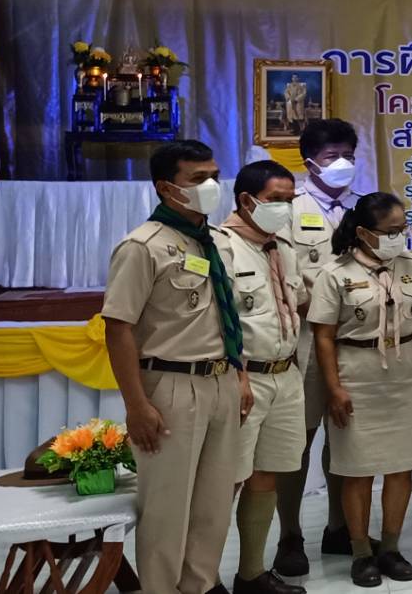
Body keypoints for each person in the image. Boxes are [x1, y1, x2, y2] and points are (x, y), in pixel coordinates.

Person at [103, 140, 250, 594]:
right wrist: (136, 405)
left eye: (214, 176)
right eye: (198, 178)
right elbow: (118, 328)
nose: (211, 186)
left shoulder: (217, 242)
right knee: (167, 509)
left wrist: (240, 376)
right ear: (167, 188)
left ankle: (199, 586)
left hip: (221, 381)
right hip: (171, 385)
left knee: (214, 504)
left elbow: (227, 316)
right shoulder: (142, 246)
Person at [309, 193, 412, 588]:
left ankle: (391, 548)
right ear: (364, 232)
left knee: (401, 466)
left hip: (404, 373)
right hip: (356, 373)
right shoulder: (335, 273)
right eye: (391, 231)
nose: (400, 236)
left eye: (403, 228)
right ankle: (362, 551)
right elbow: (324, 336)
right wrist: (334, 388)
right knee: (358, 470)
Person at [276, 118, 366, 576]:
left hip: (357, 341)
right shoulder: (289, 209)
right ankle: (290, 536)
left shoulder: (364, 208)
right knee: (299, 442)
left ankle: (340, 528)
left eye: (348, 155)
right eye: (332, 156)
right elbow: (281, 278)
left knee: (347, 441)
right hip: (307, 342)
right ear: (309, 161)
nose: (342, 164)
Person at [214, 160, 309, 594]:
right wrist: (236, 375)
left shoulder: (283, 247)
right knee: (227, 481)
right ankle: (203, 579)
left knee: (267, 474)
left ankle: (251, 575)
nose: (284, 208)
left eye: (290, 200)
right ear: (246, 200)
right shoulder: (222, 247)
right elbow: (216, 322)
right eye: (275, 200)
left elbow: (297, 304)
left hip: (285, 374)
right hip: (243, 378)